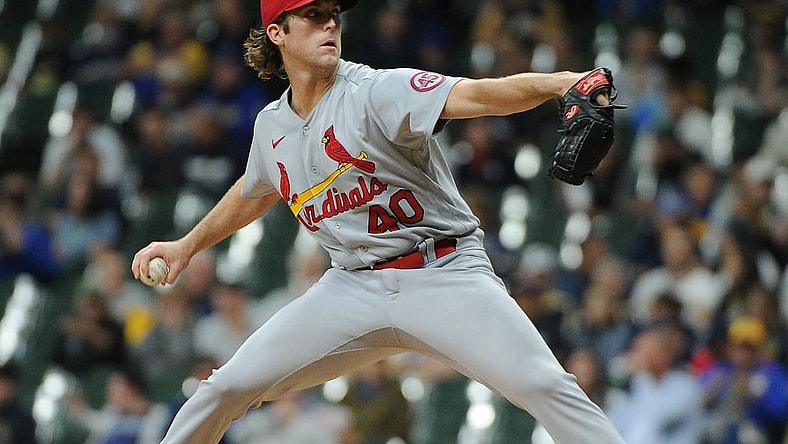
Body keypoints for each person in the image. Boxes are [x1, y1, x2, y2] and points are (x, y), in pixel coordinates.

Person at [131, 1, 625, 443]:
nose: (329, 22)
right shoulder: (271, 126)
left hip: (444, 274)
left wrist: (564, 84)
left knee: (545, 385)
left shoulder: (377, 90)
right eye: (312, 14)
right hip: (352, 289)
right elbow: (253, 191)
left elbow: (479, 95)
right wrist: (187, 245)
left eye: (333, 14)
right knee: (225, 388)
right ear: (277, 34)